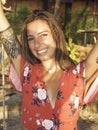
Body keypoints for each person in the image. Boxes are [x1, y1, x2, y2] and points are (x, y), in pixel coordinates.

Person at [0, 1, 98, 130]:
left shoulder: (79, 74)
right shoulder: (27, 71)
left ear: (56, 36)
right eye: (31, 38)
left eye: (43, 35)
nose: (37, 43)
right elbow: (7, 35)